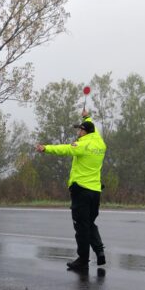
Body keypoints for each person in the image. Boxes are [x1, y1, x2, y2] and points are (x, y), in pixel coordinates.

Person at [35, 110, 107, 272]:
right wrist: (87, 117)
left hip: (81, 190)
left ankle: (82, 260)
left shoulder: (82, 145)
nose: (78, 132)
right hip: (95, 191)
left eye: (80, 130)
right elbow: (93, 127)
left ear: (85, 132)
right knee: (89, 223)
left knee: (81, 227)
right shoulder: (100, 143)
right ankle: (99, 251)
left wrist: (45, 148)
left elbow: (65, 149)